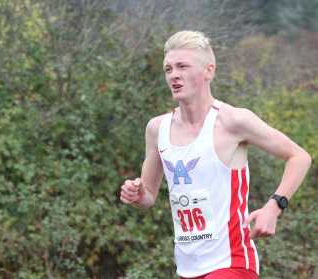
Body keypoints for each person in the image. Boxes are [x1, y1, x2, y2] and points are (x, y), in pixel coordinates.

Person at [119, 30, 311, 279]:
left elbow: (299, 157)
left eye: (182, 66)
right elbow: (149, 197)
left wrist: (273, 207)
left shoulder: (232, 121)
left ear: (208, 71)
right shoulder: (157, 129)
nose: (174, 75)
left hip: (232, 263)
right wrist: (137, 193)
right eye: (168, 69)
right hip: (188, 268)